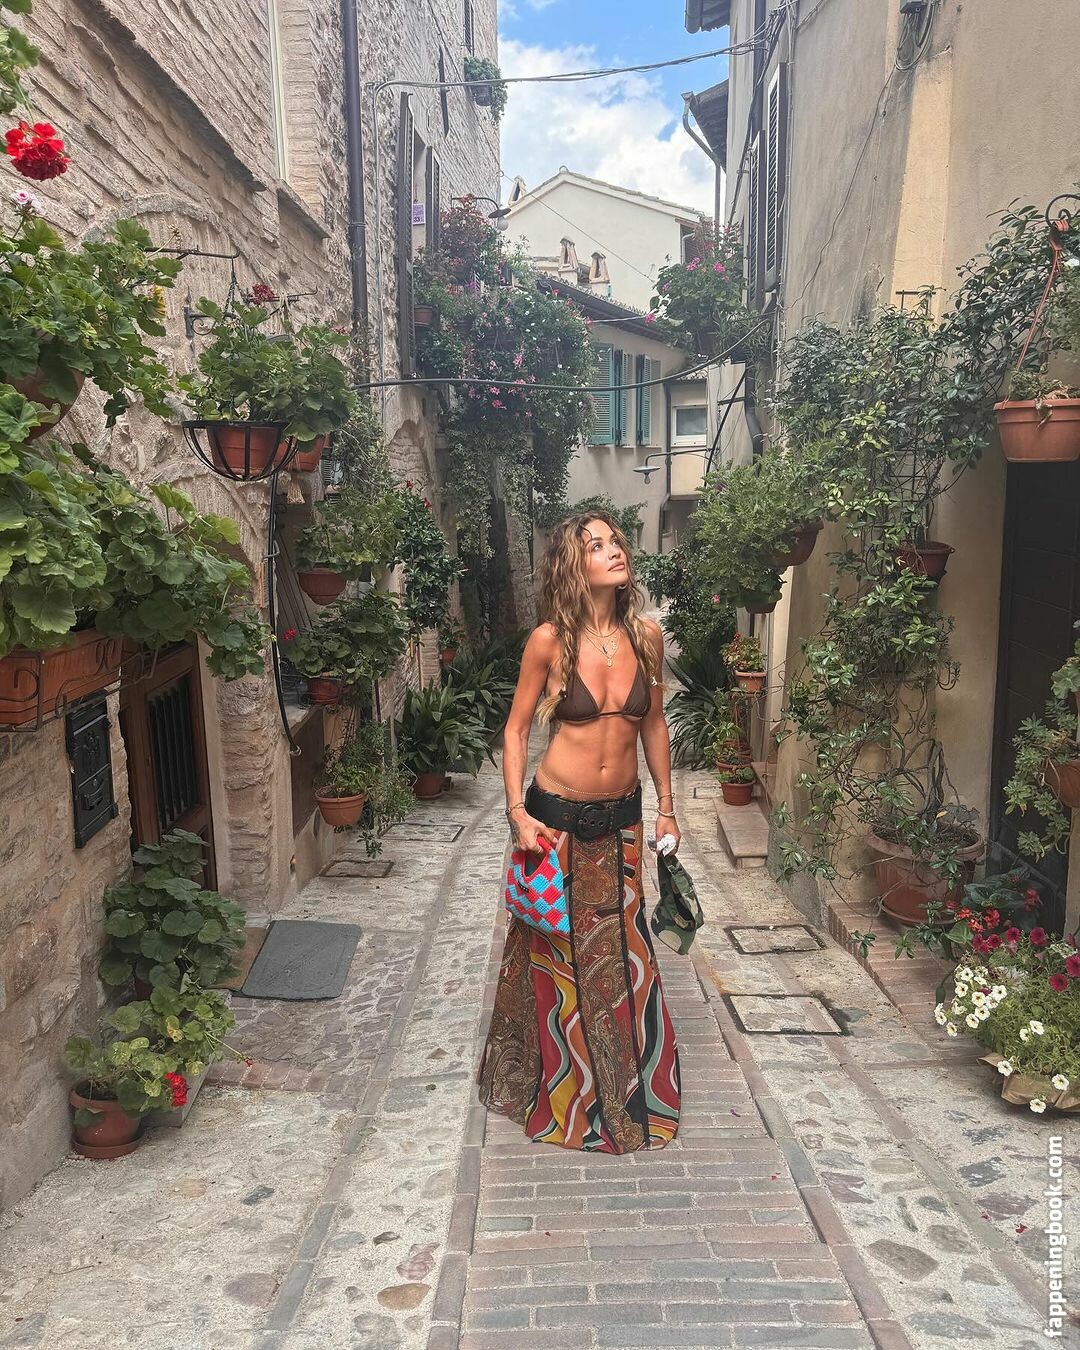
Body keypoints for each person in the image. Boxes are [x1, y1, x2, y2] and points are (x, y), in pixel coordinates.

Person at [476, 509, 681, 1153]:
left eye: (616, 542)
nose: (614, 552)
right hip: (554, 822)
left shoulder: (645, 637)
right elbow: (515, 731)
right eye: (596, 546)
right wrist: (517, 813)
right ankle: (562, 1096)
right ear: (573, 564)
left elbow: (653, 725)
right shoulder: (550, 642)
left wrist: (667, 806)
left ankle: (625, 1095)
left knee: (625, 953)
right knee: (556, 954)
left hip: (621, 822)